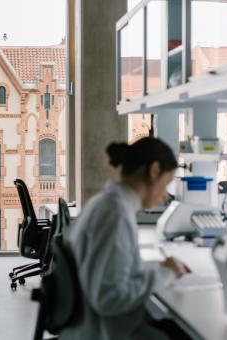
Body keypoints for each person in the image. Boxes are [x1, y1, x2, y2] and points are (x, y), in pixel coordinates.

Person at [60, 137, 191, 340]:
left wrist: (158, 266)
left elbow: (113, 267)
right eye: (167, 184)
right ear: (154, 171)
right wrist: (165, 274)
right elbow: (110, 298)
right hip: (106, 333)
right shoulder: (116, 215)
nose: (166, 195)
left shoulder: (105, 203)